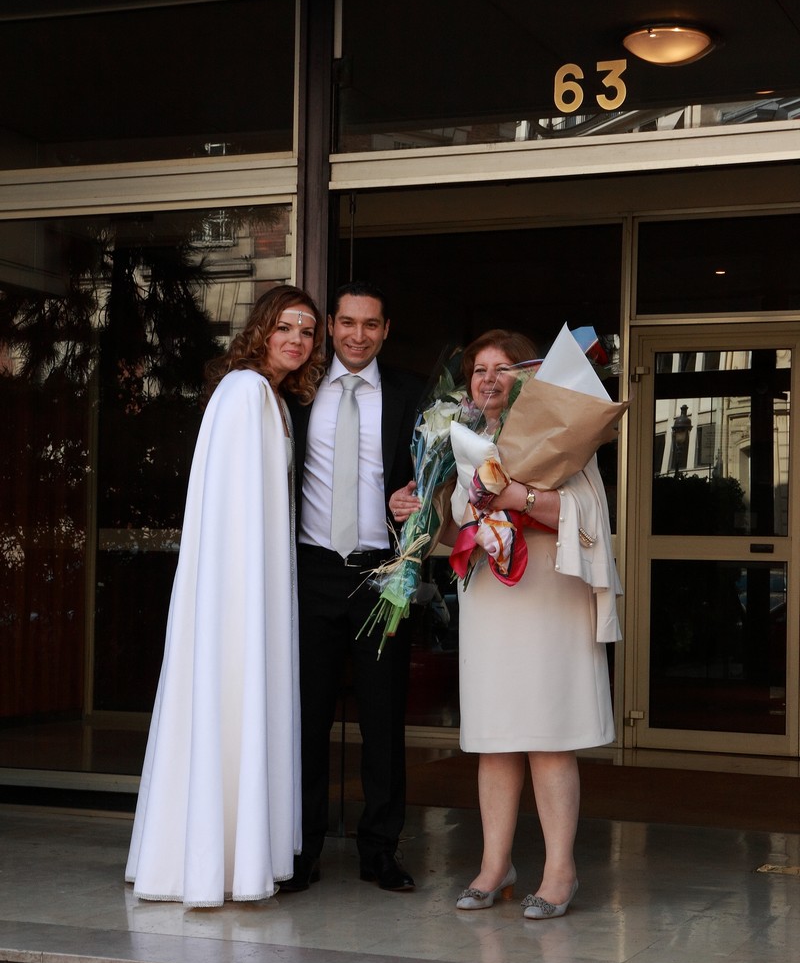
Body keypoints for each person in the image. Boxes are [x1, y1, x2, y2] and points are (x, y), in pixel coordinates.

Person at [125, 285, 325, 907]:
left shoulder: (268, 396)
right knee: (233, 694)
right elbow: (235, 510)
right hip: (238, 587)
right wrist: (248, 592)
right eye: (285, 327)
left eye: (307, 332)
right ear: (262, 329)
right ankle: (219, 863)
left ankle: (242, 856)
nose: (297, 340)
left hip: (255, 581)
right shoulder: (245, 392)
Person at [450, 329, 620, 919]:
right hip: (490, 599)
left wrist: (516, 495)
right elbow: (453, 525)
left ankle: (559, 873)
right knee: (494, 739)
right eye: (479, 370)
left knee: (549, 737)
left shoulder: (561, 432)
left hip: (549, 595)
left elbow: (585, 514)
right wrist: (418, 508)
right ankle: (494, 866)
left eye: (502, 368)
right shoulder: (459, 438)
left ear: (528, 376)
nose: (489, 379)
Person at [279, 280, 424, 893]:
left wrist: (415, 502)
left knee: (383, 721)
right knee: (305, 720)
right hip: (309, 571)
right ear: (330, 328)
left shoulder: (414, 394)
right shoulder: (296, 391)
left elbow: (437, 482)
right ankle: (300, 849)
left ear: (385, 330)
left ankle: (380, 850)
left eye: (370, 324)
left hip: (382, 575)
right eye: (346, 323)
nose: (357, 335)